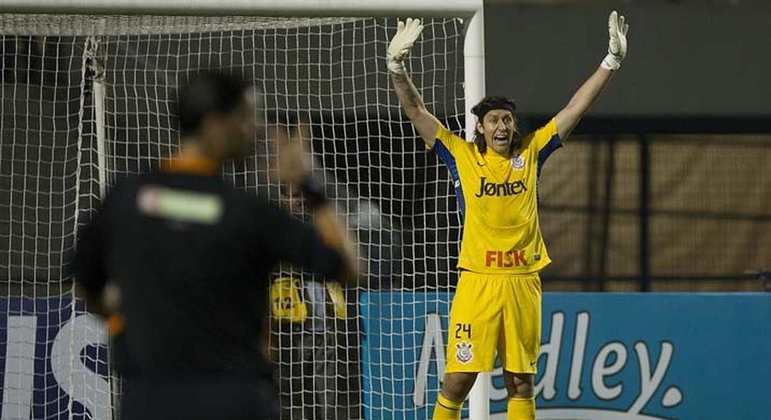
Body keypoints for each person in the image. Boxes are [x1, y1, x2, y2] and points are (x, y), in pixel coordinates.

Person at [72, 70, 357, 420]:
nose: (253, 130)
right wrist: (308, 183)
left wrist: (119, 322)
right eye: (246, 118)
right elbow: (348, 266)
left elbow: (84, 280)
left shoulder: (127, 198)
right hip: (234, 399)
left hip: (150, 400)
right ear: (215, 123)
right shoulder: (248, 213)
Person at [386, 12, 629, 420]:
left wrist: (611, 61)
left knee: (520, 381)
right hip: (478, 281)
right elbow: (416, 112)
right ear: (479, 128)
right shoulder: (459, 155)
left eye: (507, 119)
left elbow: (574, 108)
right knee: (457, 380)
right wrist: (397, 68)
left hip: (522, 282)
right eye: (494, 120)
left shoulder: (532, 152)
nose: (502, 126)